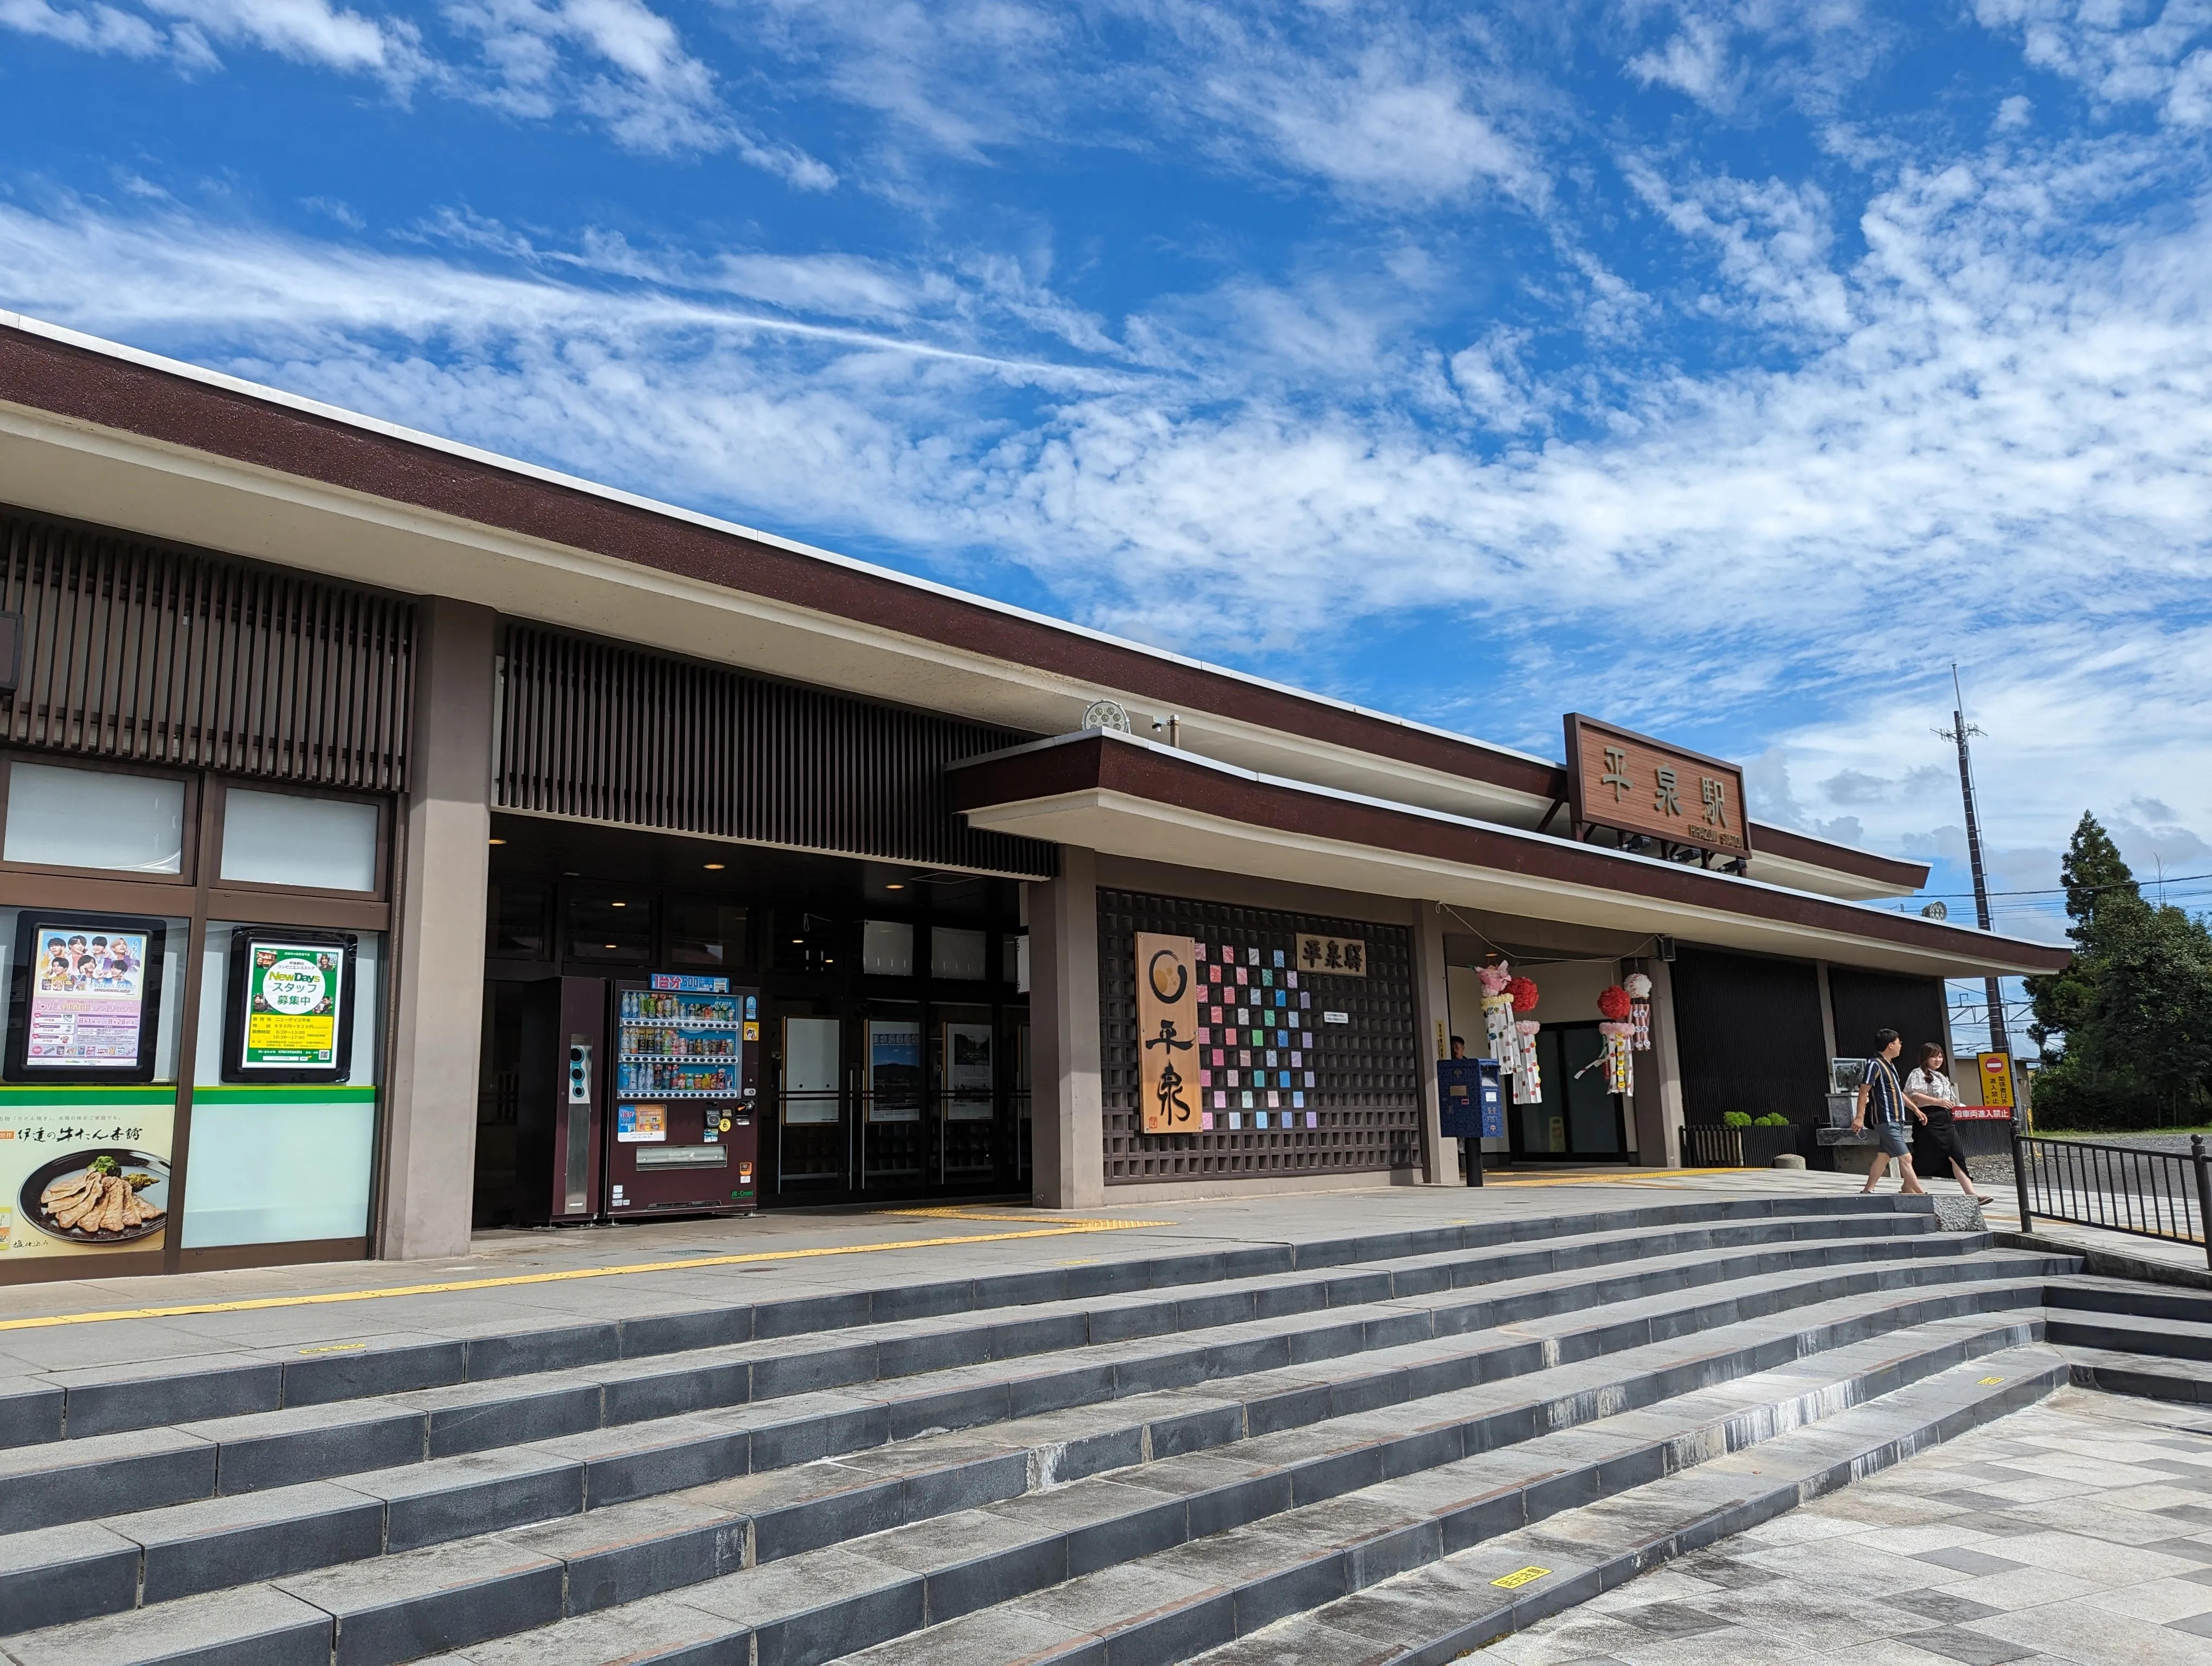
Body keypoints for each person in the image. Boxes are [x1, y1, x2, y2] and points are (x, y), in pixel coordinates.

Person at [1906, 1042, 1992, 1203]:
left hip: (1946, 1119)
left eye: (1940, 1056)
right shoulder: (1918, 1073)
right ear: (1926, 1058)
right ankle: (1908, 1186)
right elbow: (1912, 1095)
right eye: (1934, 1056)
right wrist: (1938, 1102)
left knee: (1956, 1154)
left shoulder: (1942, 1076)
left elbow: (1949, 1099)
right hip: (1928, 1119)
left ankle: (1971, 1193)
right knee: (1925, 1154)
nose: (1938, 1060)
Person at [1851, 1028, 1925, 1195]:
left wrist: (1915, 1109)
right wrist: (1859, 1118)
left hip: (1897, 1119)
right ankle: (1920, 1193)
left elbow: (1898, 1092)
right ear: (1891, 1045)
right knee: (1906, 1158)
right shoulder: (1874, 1064)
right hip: (1886, 1119)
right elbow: (1864, 1091)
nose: (1901, 1046)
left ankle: (1867, 1190)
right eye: (1899, 1043)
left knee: (1884, 1156)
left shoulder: (1890, 1065)